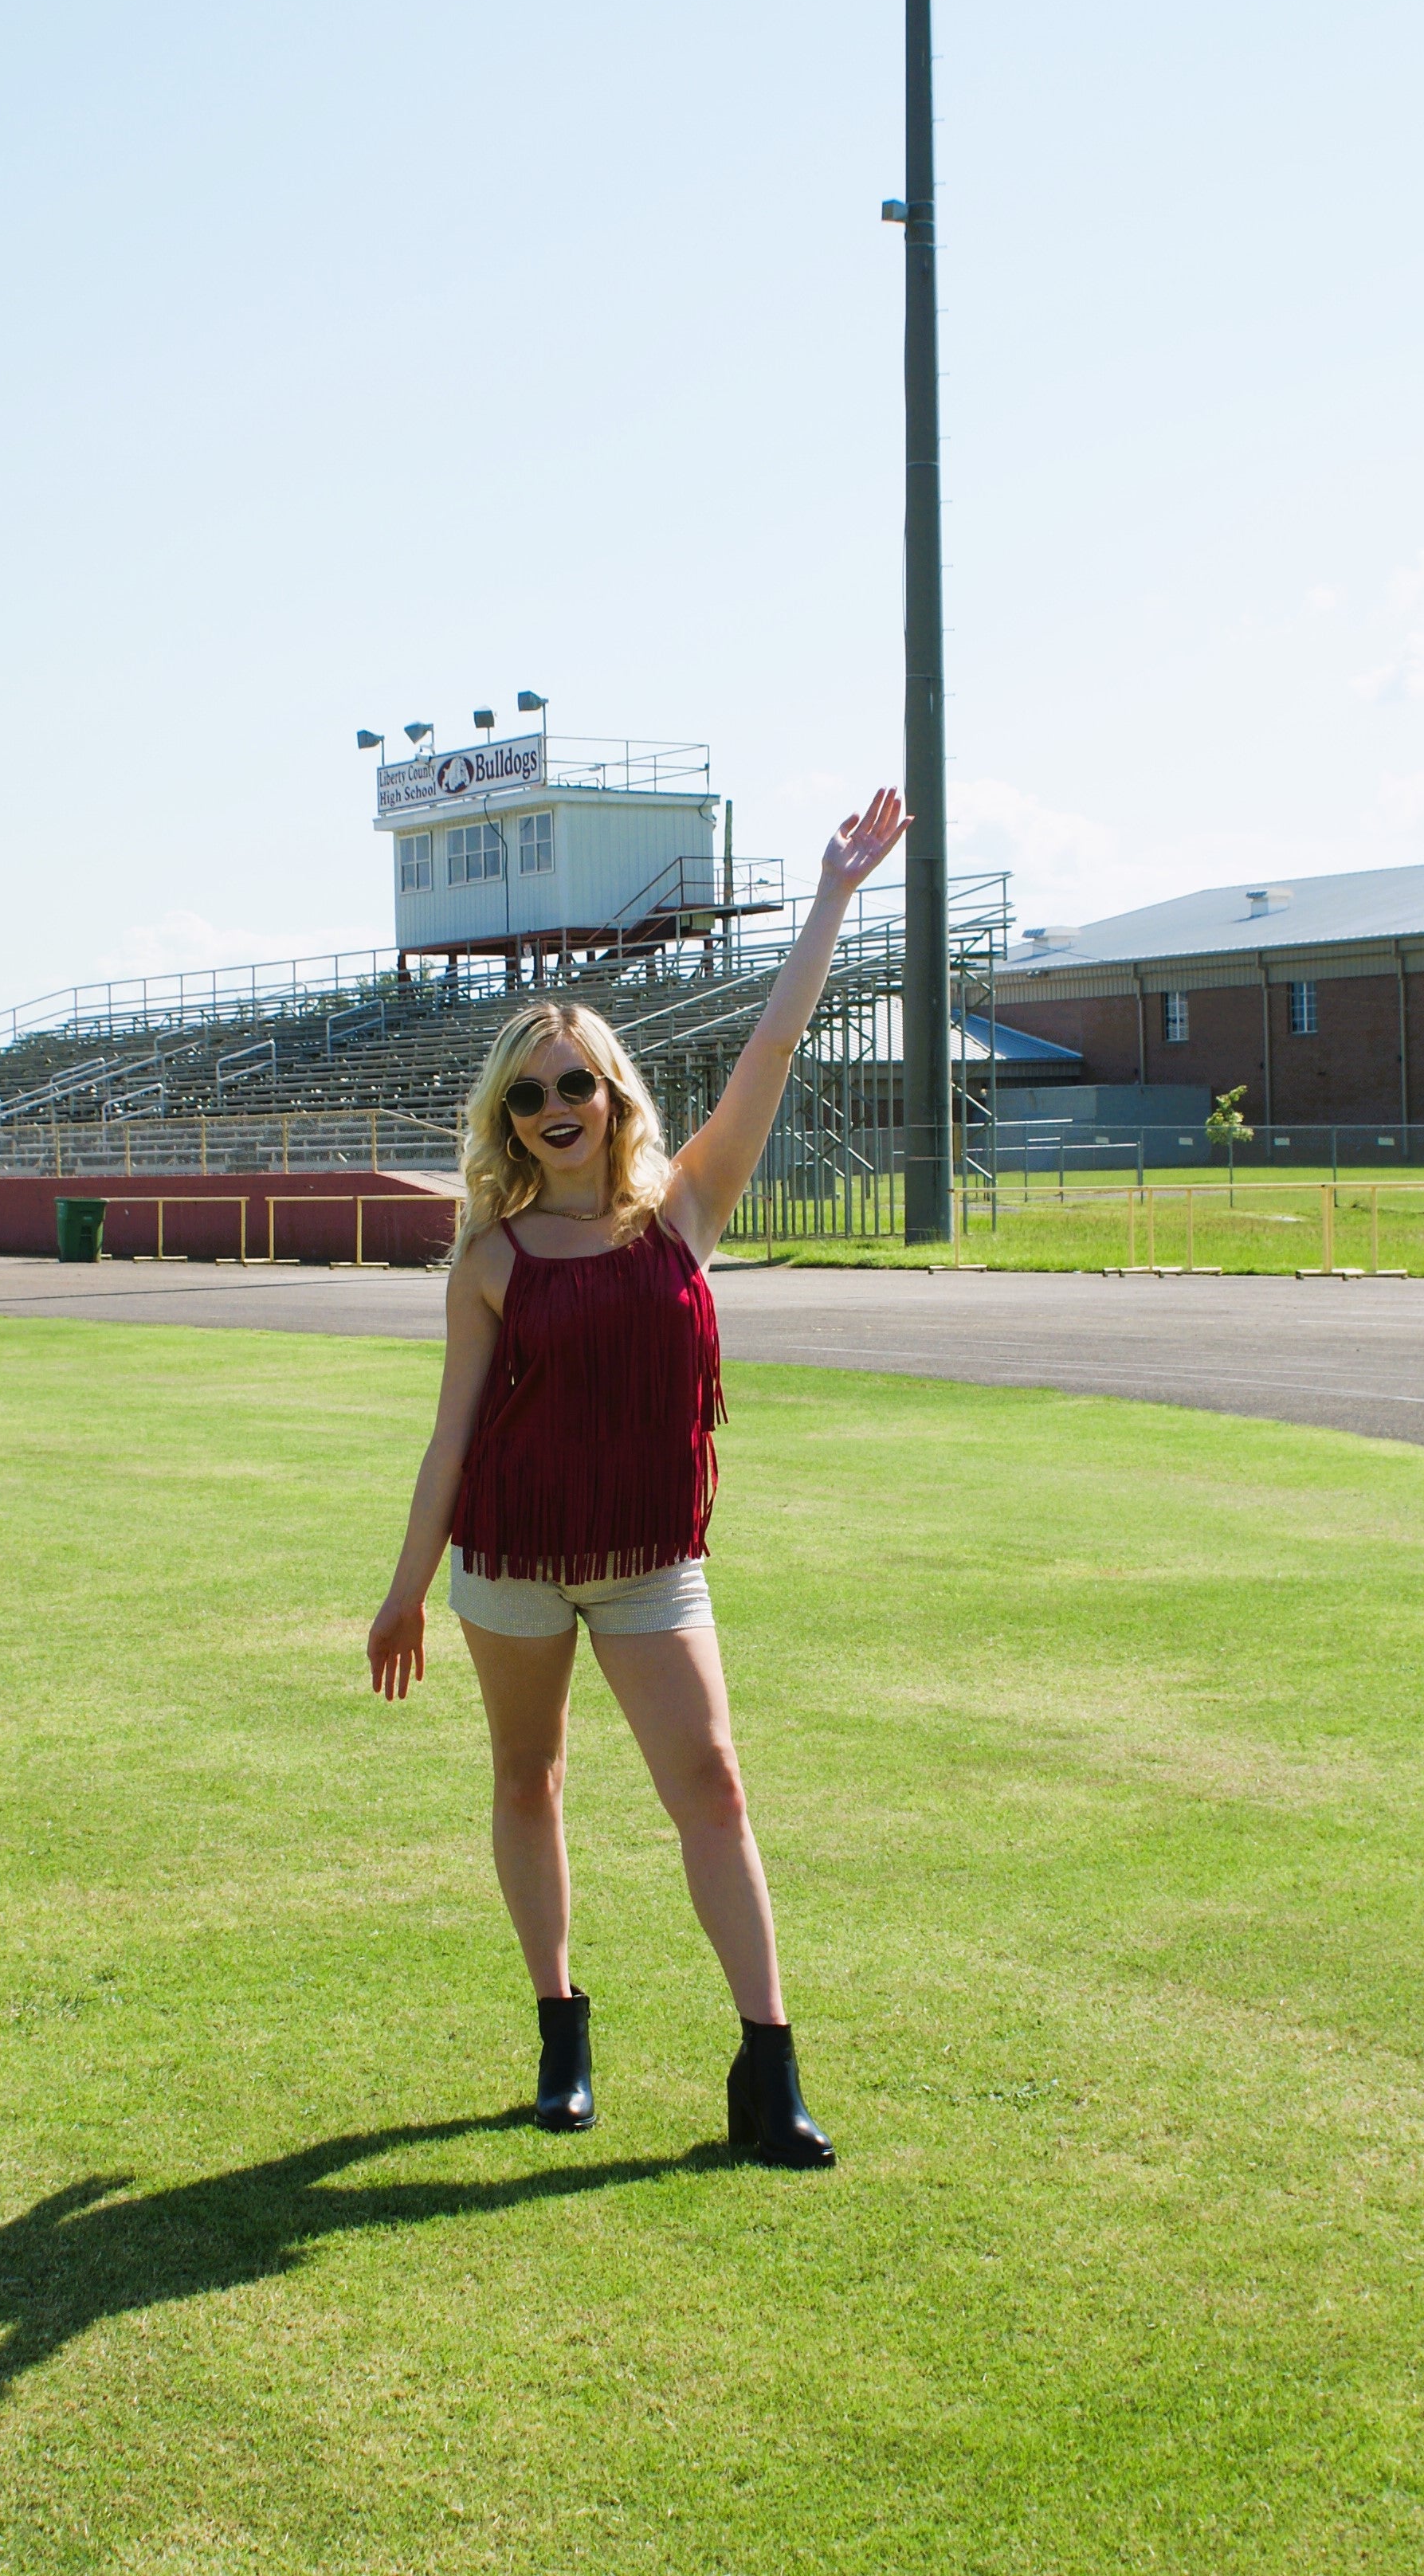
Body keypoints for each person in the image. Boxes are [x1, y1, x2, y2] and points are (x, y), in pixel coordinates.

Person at [369, 789, 910, 2166]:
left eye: (578, 1086)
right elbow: (450, 1436)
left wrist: (834, 897)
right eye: (529, 1094)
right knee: (528, 1780)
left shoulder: (684, 1212)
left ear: (616, 1101)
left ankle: (766, 2067)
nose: (557, 1108)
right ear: (508, 1118)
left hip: (651, 1564)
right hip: (511, 1567)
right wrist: (404, 1593)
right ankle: (561, 2035)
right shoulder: (485, 1258)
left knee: (714, 1788)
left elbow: (773, 1049)